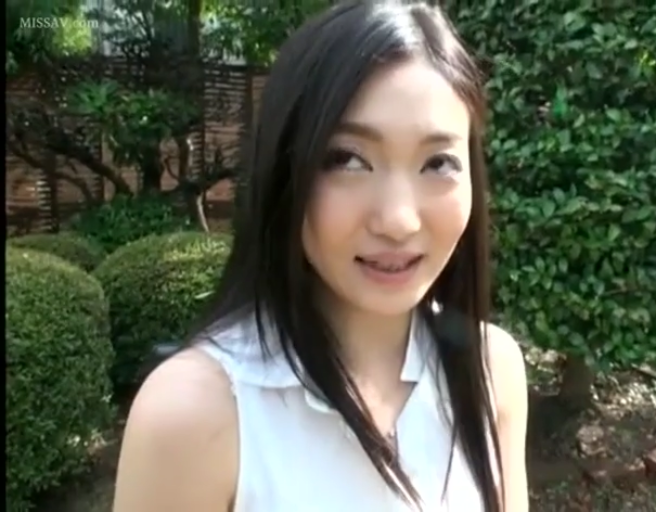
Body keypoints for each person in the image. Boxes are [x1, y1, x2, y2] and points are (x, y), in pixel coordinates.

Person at [112, 1, 530, 511]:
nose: (398, 220)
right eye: (347, 159)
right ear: (286, 170)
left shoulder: (491, 371)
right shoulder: (197, 413)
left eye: (438, 162)